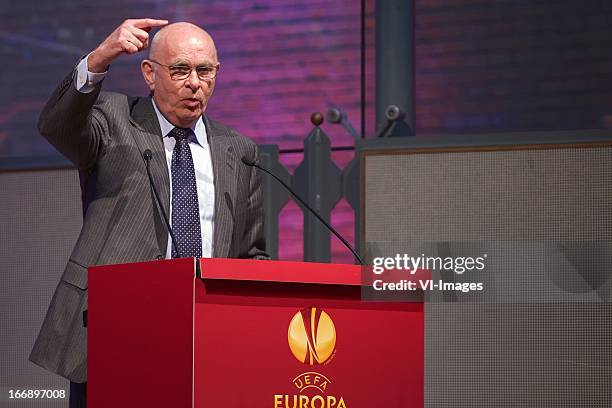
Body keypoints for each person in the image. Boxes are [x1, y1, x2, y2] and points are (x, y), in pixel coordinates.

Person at [29, 19, 268, 407]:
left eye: (205, 71)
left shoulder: (239, 151)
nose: (195, 83)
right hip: (115, 329)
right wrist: (101, 56)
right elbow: (56, 125)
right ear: (149, 74)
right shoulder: (113, 119)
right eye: (180, 70)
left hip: (205, 335)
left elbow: (252, 254)